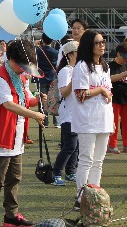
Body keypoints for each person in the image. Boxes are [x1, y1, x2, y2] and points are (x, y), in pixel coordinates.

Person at [0, 39, 46, 227]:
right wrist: (34, 114)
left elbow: (26, 99)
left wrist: (39, 99)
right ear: (12, 60)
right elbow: (9, 104)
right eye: (22, 66)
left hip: (15, 136)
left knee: (14, 177)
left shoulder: (19, 77)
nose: (25, 70)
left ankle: (11, 215)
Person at [71, 30, 113, 210]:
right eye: (98, 42)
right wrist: (100, 90)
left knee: (98, 161)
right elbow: (80, 94)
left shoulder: (104, 66)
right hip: (87, 120)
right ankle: (81, 198)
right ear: (89, 45)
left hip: (104, 118)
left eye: (103, 42)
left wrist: (106, 94)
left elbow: (109, 91)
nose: (102, 45)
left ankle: (94, 195)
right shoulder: (82, 66)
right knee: (86, 159)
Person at [51, 40, 79, 186]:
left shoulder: (78, 69)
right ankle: (56, 173)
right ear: (70, 55)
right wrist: (75, 79)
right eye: (78, 52)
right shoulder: (66, 71)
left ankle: (70, 171)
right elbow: (64, 92)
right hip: (68, 112)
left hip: (78, 113)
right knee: (70, 145)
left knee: (76, 145)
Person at [107, 43, 127, 154]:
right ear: (118, 54)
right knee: (114, 122)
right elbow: (110, 78)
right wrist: (126, 73)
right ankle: (112, 145)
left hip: (126, 96)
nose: (126, 59)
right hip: (114, 97)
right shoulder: (110, 66)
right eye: (124, 57)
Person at [36, 33, 59, 127]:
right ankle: (56, 121)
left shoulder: (38, 51)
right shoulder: (56, 52)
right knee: (54, 99)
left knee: (43, 100)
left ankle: (45, 121)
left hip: (42, 77)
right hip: (53, 77)